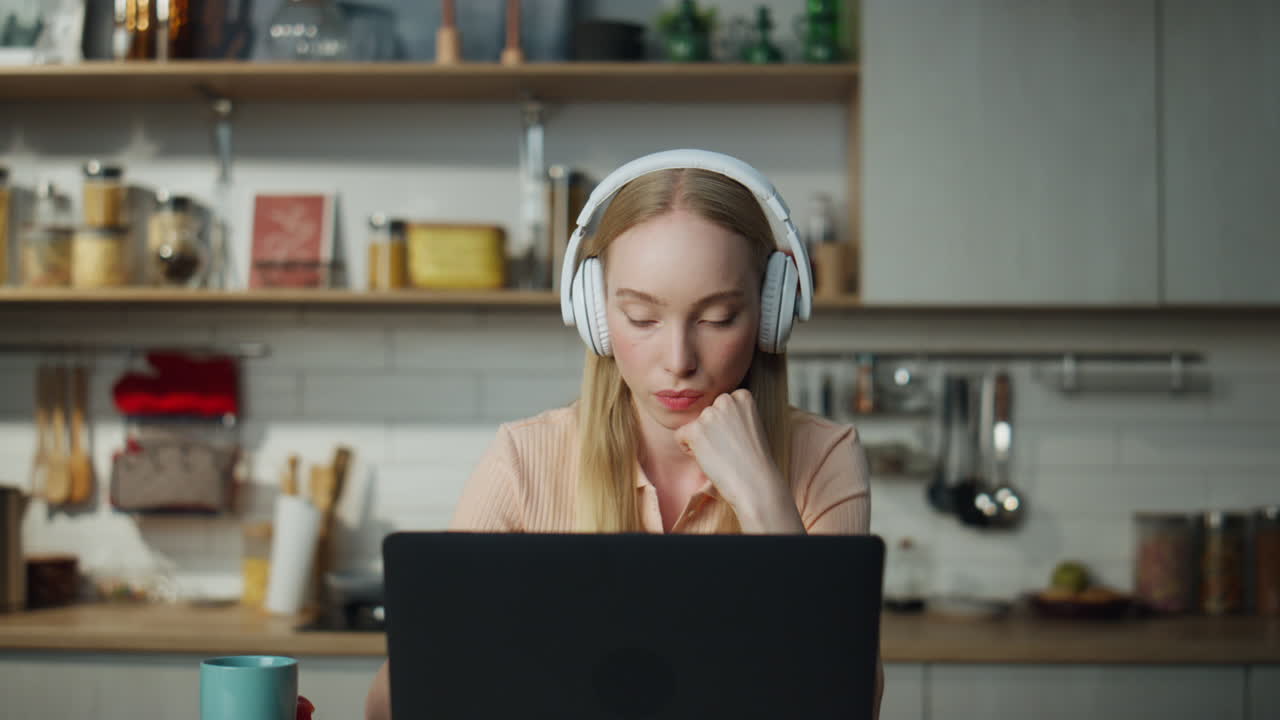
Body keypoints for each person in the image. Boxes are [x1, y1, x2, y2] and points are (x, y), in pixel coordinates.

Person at [364, 149, 882, 720]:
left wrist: (763, 498)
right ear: (594, 314)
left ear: (769, 310)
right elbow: (392, 704)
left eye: (717, 318)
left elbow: (845, 705)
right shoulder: (525, 458)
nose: (679, 361)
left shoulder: (825, 456)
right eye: (641, 318)